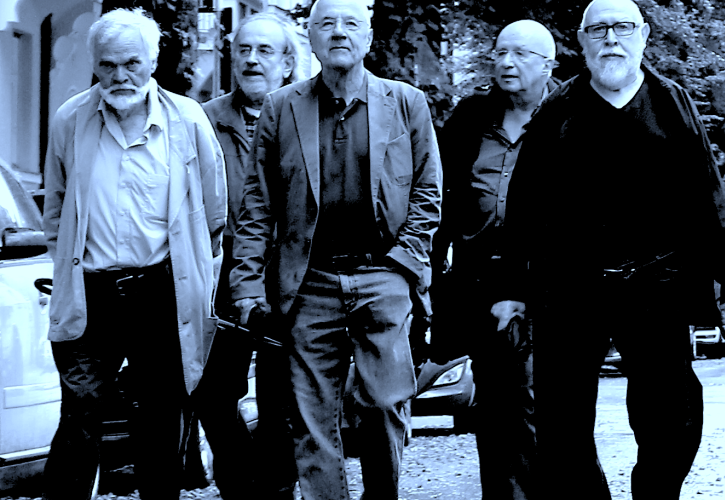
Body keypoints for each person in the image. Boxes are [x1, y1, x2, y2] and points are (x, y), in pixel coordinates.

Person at [491, 0, 725, 498]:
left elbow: (708, 198)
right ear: (582, 40)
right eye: (599, 30)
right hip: (570, 288)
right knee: (560, 425)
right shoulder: (558, 111)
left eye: (622, 28)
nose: (610, 39)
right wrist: (512, 288)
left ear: (644, 35)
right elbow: (524, 204)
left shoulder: (671, 103)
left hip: (656, 286)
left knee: (672, 420)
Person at [228, 0, 442, 497]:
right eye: (326, 24)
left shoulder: (406, 102)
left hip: (382, 273)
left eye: (350, 24)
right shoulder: (282, 108)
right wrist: (246, 287)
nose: (339, 33)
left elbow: (429, 193)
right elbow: (257, 204)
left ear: (369, 38)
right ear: (311, 38)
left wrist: (402, 267)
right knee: (310, 416)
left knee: (385, 403)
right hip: (310, 281)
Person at [41, 7, 227, 499]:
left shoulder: (188, 120)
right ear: (94, 64)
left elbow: (213, 213)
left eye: (131, 62)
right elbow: (56, 210)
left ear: (153, 61)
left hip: (161, 291)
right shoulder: (70, 120)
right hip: (91, 294)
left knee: (159, 419)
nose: (119, 75)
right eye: (107, 64)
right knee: (79, 413)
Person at [429, 19, 558, 500]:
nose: (506, 63)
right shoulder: (470, 117)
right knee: (495, 408)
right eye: (500, 52)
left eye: (521, 54)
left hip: (546, 283)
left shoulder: (569, 117)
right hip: (479, 281)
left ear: (548, 65)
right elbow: (438, 194)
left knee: (534, 405)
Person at [199, 12, 299, 499]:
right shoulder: (203, 120)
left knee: (284, 403)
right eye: (244, 50)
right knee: (213, 396)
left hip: (290, 286)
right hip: (221, 289)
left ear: (287, 62)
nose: (252, 60)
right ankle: (240, 487)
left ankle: (277, 488)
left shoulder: (305, 119)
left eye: (265, 51)